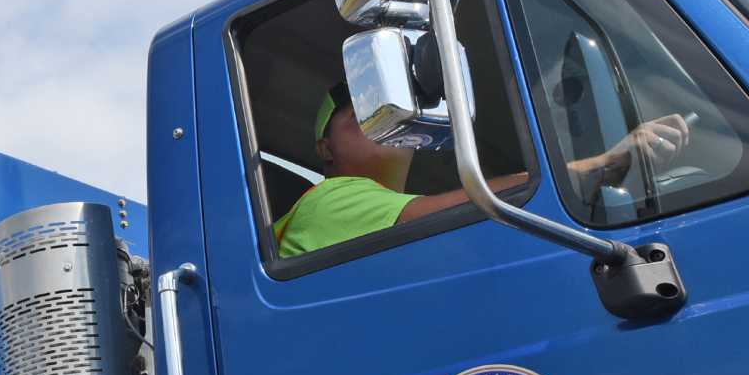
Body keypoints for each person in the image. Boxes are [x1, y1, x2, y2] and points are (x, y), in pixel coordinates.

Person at [273, 81, 693, 258]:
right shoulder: (330, 200)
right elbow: (482, 204)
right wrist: (605, 164)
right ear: (325, 149)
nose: (381, 120)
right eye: (361, 115)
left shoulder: (381, 217)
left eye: (390, 112)